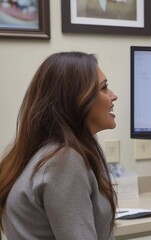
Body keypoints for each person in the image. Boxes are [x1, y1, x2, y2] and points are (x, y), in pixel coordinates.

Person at [0, 52, 118, 239]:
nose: (114, 96)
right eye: (104, 88)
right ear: (78, 99)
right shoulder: (64, 161)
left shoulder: (49, 153)